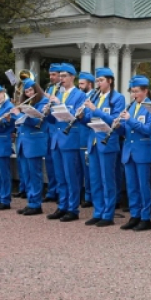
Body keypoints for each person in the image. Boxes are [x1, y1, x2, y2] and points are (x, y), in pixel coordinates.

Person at [80, 67, 125, 227]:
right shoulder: (96, 97)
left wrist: (95, 110)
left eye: (101, 80)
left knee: (108, 179)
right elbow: (89, 120)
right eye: (97, 81)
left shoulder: (118, 98)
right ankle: (98, 212)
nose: (98, 83)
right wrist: (81, 117)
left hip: (107, 142)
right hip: (93, 142)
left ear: (110, 81)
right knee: (95, 180)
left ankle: (108, 213)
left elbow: (115, 121)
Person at [46, 63, 86, 222]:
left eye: (64, 76)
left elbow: (74, 117)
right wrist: (47, 112)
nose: (61, 79)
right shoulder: (58, 93)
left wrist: (56, 104)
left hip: (70, 138)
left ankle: (72, 208)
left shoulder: (79, 95)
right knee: (59, 175)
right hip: (56, 139)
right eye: (60, 76)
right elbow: (53, 119)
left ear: (72, 77)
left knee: (71, 175)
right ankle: (62, 205)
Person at [118, 75, 151, 231]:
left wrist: (130, 120)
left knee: (143, 185)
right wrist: (117, 126)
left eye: (137, 91)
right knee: (131, 186)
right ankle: (135, 215)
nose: (134, 95)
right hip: (129, 151)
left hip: (142, 150)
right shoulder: (131, 107)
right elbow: (125, 131)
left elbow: (149, 130)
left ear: (145, 91)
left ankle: (146, 218)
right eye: (132, 92)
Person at [14, 79, 49, 216]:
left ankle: (36, 204)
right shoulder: (26, 103)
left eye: (31, 90)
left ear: (36, 90)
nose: (29, 93)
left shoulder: (43, 102)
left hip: (34, 142)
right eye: (26, 91)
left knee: (35, 174)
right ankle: (30, 201)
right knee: (26, 174)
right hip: (23, 142)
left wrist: (20, 114)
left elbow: (37, 122)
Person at [42, 63, 62, 203]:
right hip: (48, 128)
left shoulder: (62, 90)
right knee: (49, 161)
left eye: (54, 75)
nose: (51, 77)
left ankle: (59, 192)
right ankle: (51, 189)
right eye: (50, 74)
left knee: (58, 164)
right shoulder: (49, 87)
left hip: (58, 128)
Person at [77, 71, 96, 208]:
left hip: (88, 135)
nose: (80, 86)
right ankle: (82, 194)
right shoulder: (80, 97)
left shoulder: (94, 97)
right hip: (79, 135)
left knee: (89, 169)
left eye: (82, 84)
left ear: (90, 84)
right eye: (79, 84)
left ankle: (89, 196)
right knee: (80, 169)